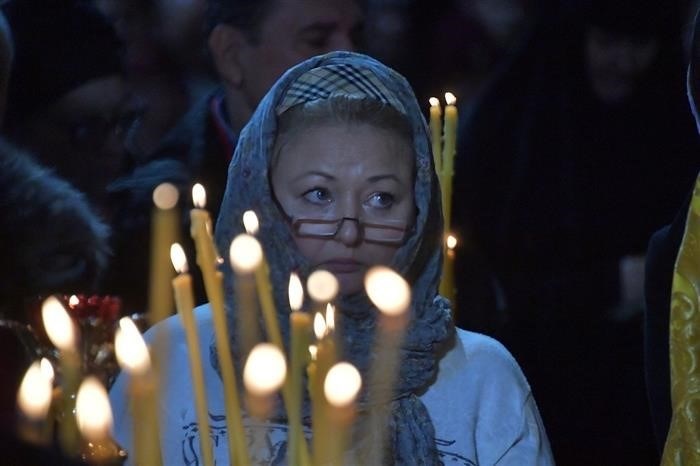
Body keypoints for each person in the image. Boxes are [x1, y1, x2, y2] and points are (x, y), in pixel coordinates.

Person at [109, 51, 554, 465]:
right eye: (318, 194)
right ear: (260, 201)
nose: (349, 230)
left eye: (382, 198)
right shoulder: (170, 361)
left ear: (419, 210)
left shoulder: (483, 378)